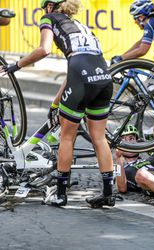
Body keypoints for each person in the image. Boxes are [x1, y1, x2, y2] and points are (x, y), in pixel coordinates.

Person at [1, 0, 114, 208]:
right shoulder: (81, 26)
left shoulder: (50, 19)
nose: (43, 11)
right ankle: (108, 193)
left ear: (51, 7)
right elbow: (77, 68)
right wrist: (55, 104)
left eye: (45, 8)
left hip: (81, 77)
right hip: (103, 78)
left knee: (66, 136)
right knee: (99, 138)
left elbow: (44, 50)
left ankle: (60, 194)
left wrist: (15, 66)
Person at [115, 125, 151, 193]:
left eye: (131, 139)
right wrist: (118, 158)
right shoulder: (120, 168)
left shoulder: (149, 157)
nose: (129, 143)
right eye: (123, 140)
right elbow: (121, 188)